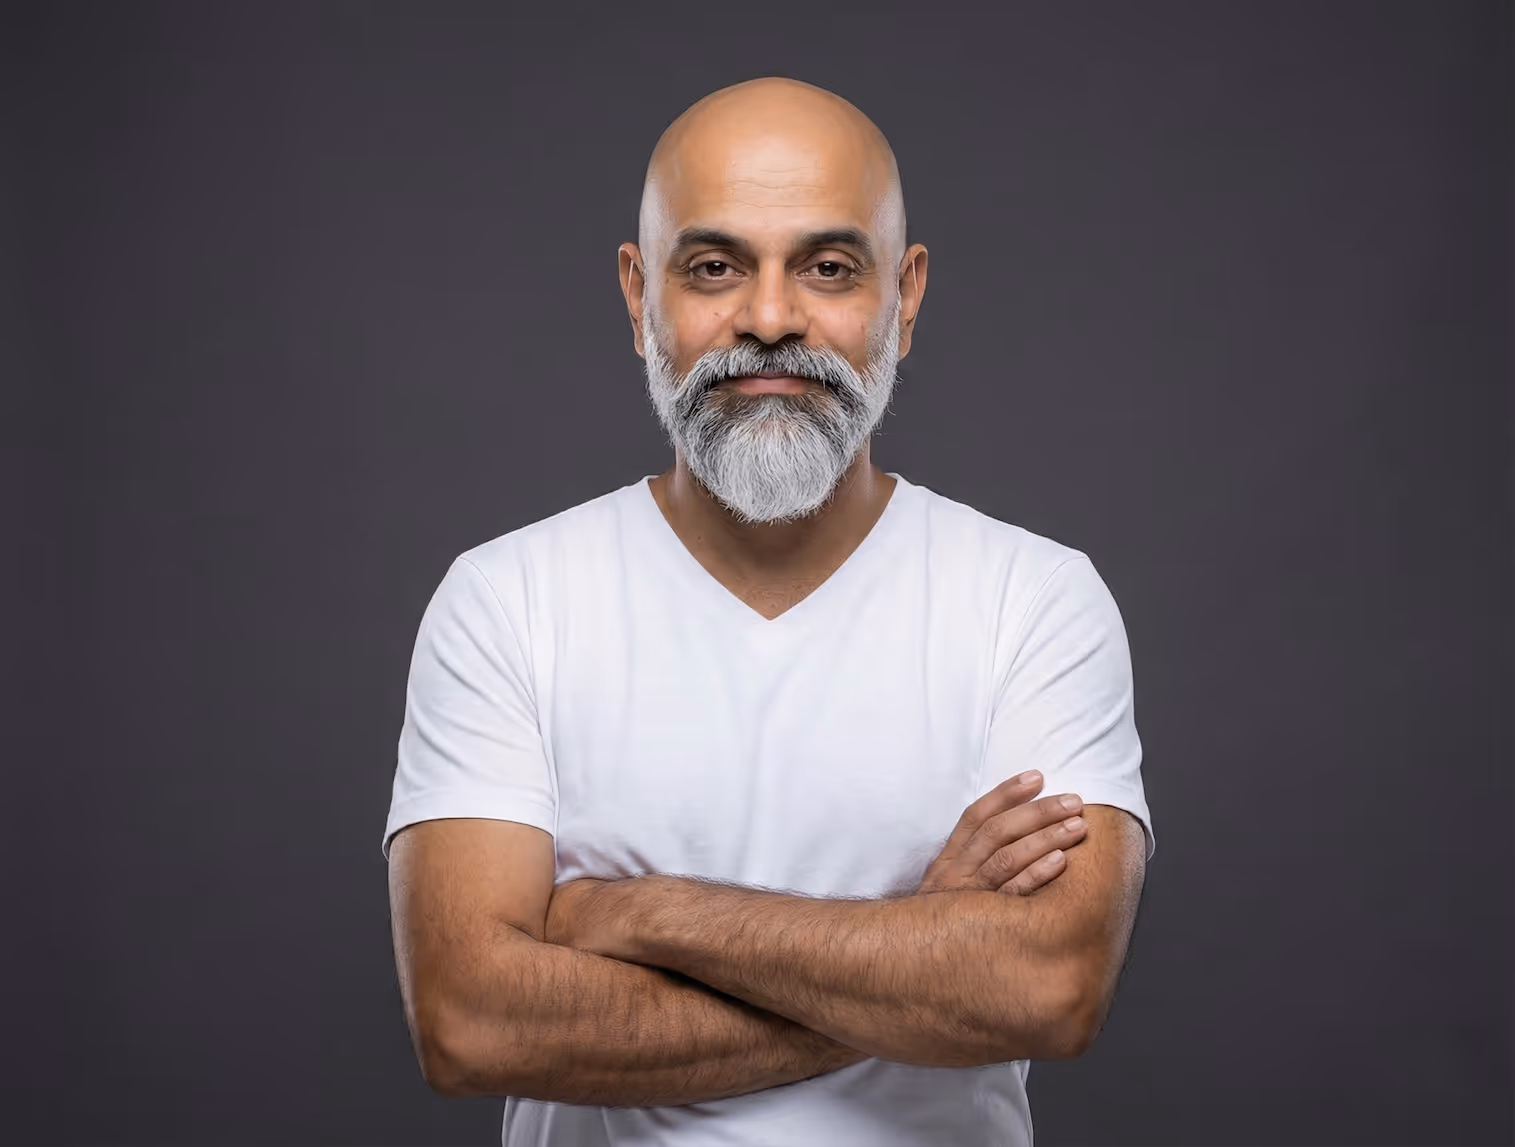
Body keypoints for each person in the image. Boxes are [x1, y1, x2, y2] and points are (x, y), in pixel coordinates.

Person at [382, 75, 1155, 1147]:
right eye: (714, 266)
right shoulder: (508, 601)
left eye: (830, 267)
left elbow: (1049, 988)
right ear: (637, 294)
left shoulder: (1033, 600)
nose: (772, 318)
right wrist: (919, 950)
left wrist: (635, 913)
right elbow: (470, 1023)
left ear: (908, 294)